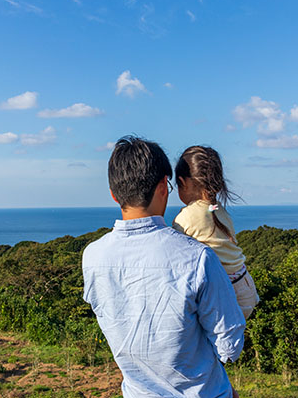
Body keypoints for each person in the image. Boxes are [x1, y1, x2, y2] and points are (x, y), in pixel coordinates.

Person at [82, 136, 245, 397]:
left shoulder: (92, 258)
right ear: (162, 187)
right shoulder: (197, 258)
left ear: (114, 194)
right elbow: (230, 348)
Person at [172, 146, 260, 319]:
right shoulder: (217, 210)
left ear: (183, 182)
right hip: (246, 286)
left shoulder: (186, 217)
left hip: (225, 293)